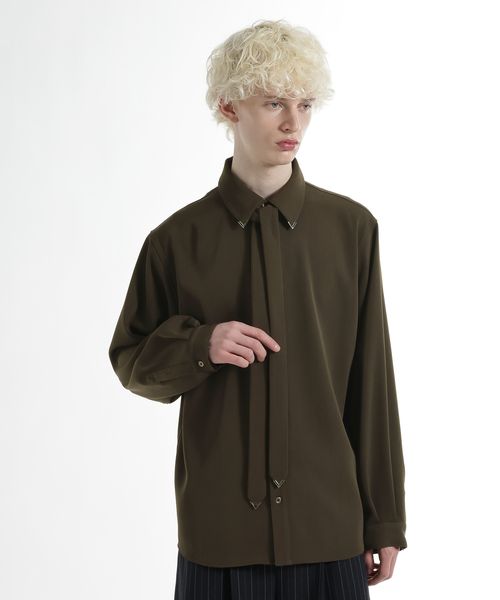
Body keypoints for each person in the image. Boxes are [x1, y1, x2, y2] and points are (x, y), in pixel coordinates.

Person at [108, 18, 407, 600]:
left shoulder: (351, 230)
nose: (293, 122)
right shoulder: (176, 241)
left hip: (329, 532)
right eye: (274, 103)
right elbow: (131, 362)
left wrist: (384, 518)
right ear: (229, 107)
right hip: (219, 539)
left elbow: (372, 383)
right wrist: (201, 345)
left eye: (304, 104)